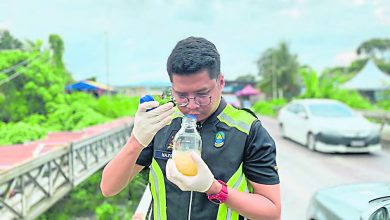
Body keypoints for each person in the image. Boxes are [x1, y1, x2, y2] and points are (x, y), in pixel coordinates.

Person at [100, 37, 281, 220]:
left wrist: (214, 188)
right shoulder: (162, 123)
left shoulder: (248, 130)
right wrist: (135, 141)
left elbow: (272, 212)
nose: (192, 105)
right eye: (181, 95)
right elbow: (108, 188)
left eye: (202, 94)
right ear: (172, 88)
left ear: (221, 82)